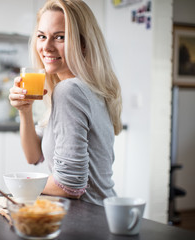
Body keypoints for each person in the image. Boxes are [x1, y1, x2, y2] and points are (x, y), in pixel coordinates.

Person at [8, 0, 122, 206]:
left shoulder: (70, 91)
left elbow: (70, 186)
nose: (46, 47)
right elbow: (33, 156)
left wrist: (20, 186)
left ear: (83, 44)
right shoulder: (84, 88)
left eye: (60, 37)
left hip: (89, 220)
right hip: (101, 213)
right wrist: (24, 111)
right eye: (42, 36)